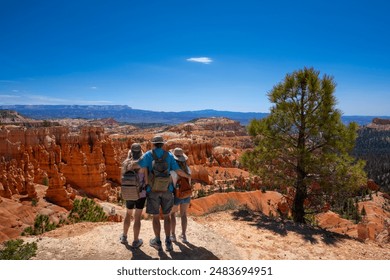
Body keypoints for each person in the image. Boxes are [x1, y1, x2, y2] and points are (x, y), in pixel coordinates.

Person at [135, 135, 191, 251]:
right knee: (167, 217)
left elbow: (139, 167)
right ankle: (168, 242)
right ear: (163, 144)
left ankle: (158, 241)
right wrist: (188, 176)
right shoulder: (169, 155)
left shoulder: (148, 155)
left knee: (155, 217)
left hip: (152, 191)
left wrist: (141, 184)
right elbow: (178, 171)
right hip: (167, 190)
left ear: (153, 144)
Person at [120, 143, 148, 248]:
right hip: (141, 193)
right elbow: (146, 180)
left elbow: (121, 179)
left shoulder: (125, 163)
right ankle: (136, 241)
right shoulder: (143, 164)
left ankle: (124, 237)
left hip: (129, 192)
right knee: (137, 218)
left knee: (128, 214)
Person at [169, 147, 191, 243]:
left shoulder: (172, 172)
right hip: (186, 194)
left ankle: (173, 235)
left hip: (176, 195)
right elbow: (189, 183)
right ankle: (184, 236)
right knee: (184, 214)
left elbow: (170, 185)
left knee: (173, 214)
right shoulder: (188, 170)